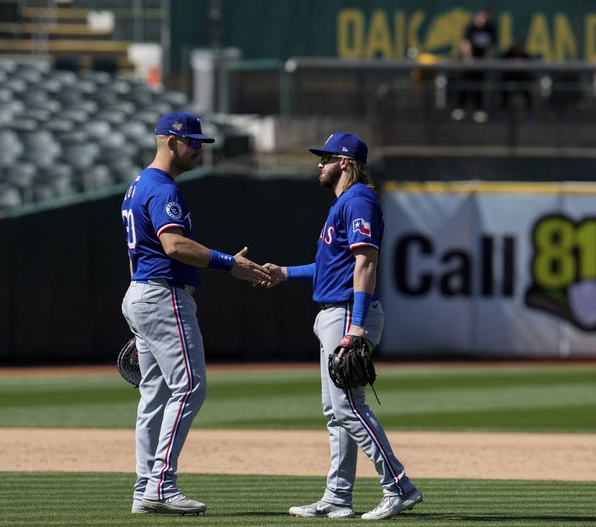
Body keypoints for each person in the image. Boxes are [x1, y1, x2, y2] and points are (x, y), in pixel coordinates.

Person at [261, 133, 423, 521]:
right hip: (335, 310)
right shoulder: (344, 204)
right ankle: (337, 496)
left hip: (349, 312)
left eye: (327, 158)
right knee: (335, 410)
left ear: (346, 163)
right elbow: (332, 267)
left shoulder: (359, 200)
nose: (320, 164)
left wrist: (357, 327)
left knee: (349, 406)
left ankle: (399, 486)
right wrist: (285, 273)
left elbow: (366, 263)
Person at [120, 111, 270, 515]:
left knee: (155, 394)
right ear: (170, 141)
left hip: (143, 291)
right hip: (163, 293)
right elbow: (174, 246)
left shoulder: (138, 185)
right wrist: (229, 264)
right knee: (189, 387)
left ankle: (144, 486)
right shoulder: (162, 189)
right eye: (193, 143)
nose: (199, 151)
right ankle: (160, 486)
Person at [452, 7, 496, 123]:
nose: (484, 21)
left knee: (479, 85)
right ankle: (459, 108)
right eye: (482, 18)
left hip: (480, 62)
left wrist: (487, 60)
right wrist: (468, 60)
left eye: (486, 19)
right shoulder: (470, 26)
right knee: (464, 83)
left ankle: (479, 109)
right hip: (467, 62)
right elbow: (465, 44)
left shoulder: (490, 28)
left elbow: (489, 46)